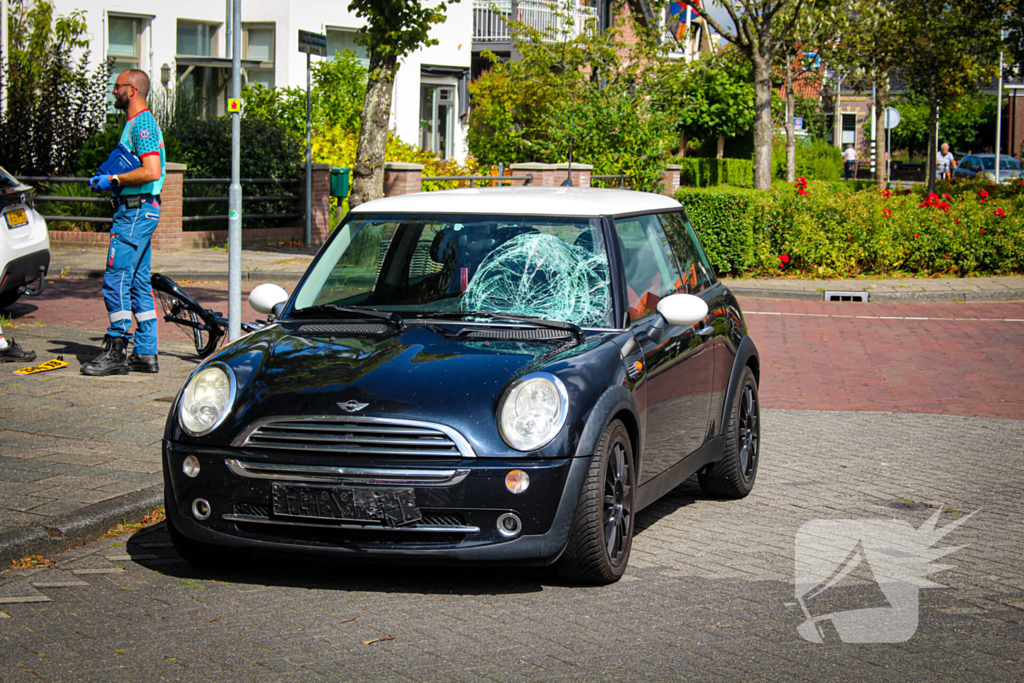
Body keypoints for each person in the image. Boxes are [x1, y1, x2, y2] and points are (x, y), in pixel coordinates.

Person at [82, 69, 165, 376]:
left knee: (116, 278)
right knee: (139, 282)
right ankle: (145, 352)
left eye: (117, 87)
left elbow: (151, 171)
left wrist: (114, 179)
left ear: (131, 90)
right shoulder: (135, 123)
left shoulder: (142, 122)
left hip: (134, 212)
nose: (113, 92)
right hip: (140, 210)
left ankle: (117, 349)